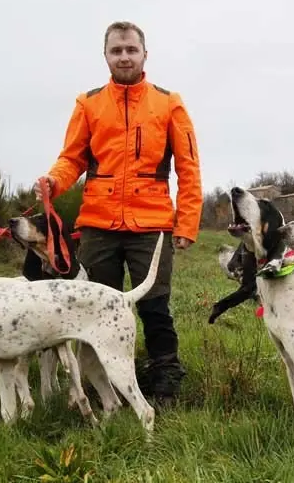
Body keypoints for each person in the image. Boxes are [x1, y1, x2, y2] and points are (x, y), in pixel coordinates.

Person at [34, 21, 202, 403]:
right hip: (99, 224)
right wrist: (54, 182)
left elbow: (189, 168)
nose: (124, 56)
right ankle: (98, 383)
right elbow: (71, 158)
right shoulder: (88, 103)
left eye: (131, 49)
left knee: (154, 304)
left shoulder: (169, 102)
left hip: (153, 223)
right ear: (106, 56)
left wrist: (187, 223)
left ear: (145, 54)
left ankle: (164, 377)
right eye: (116, 50)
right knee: (94, 307)